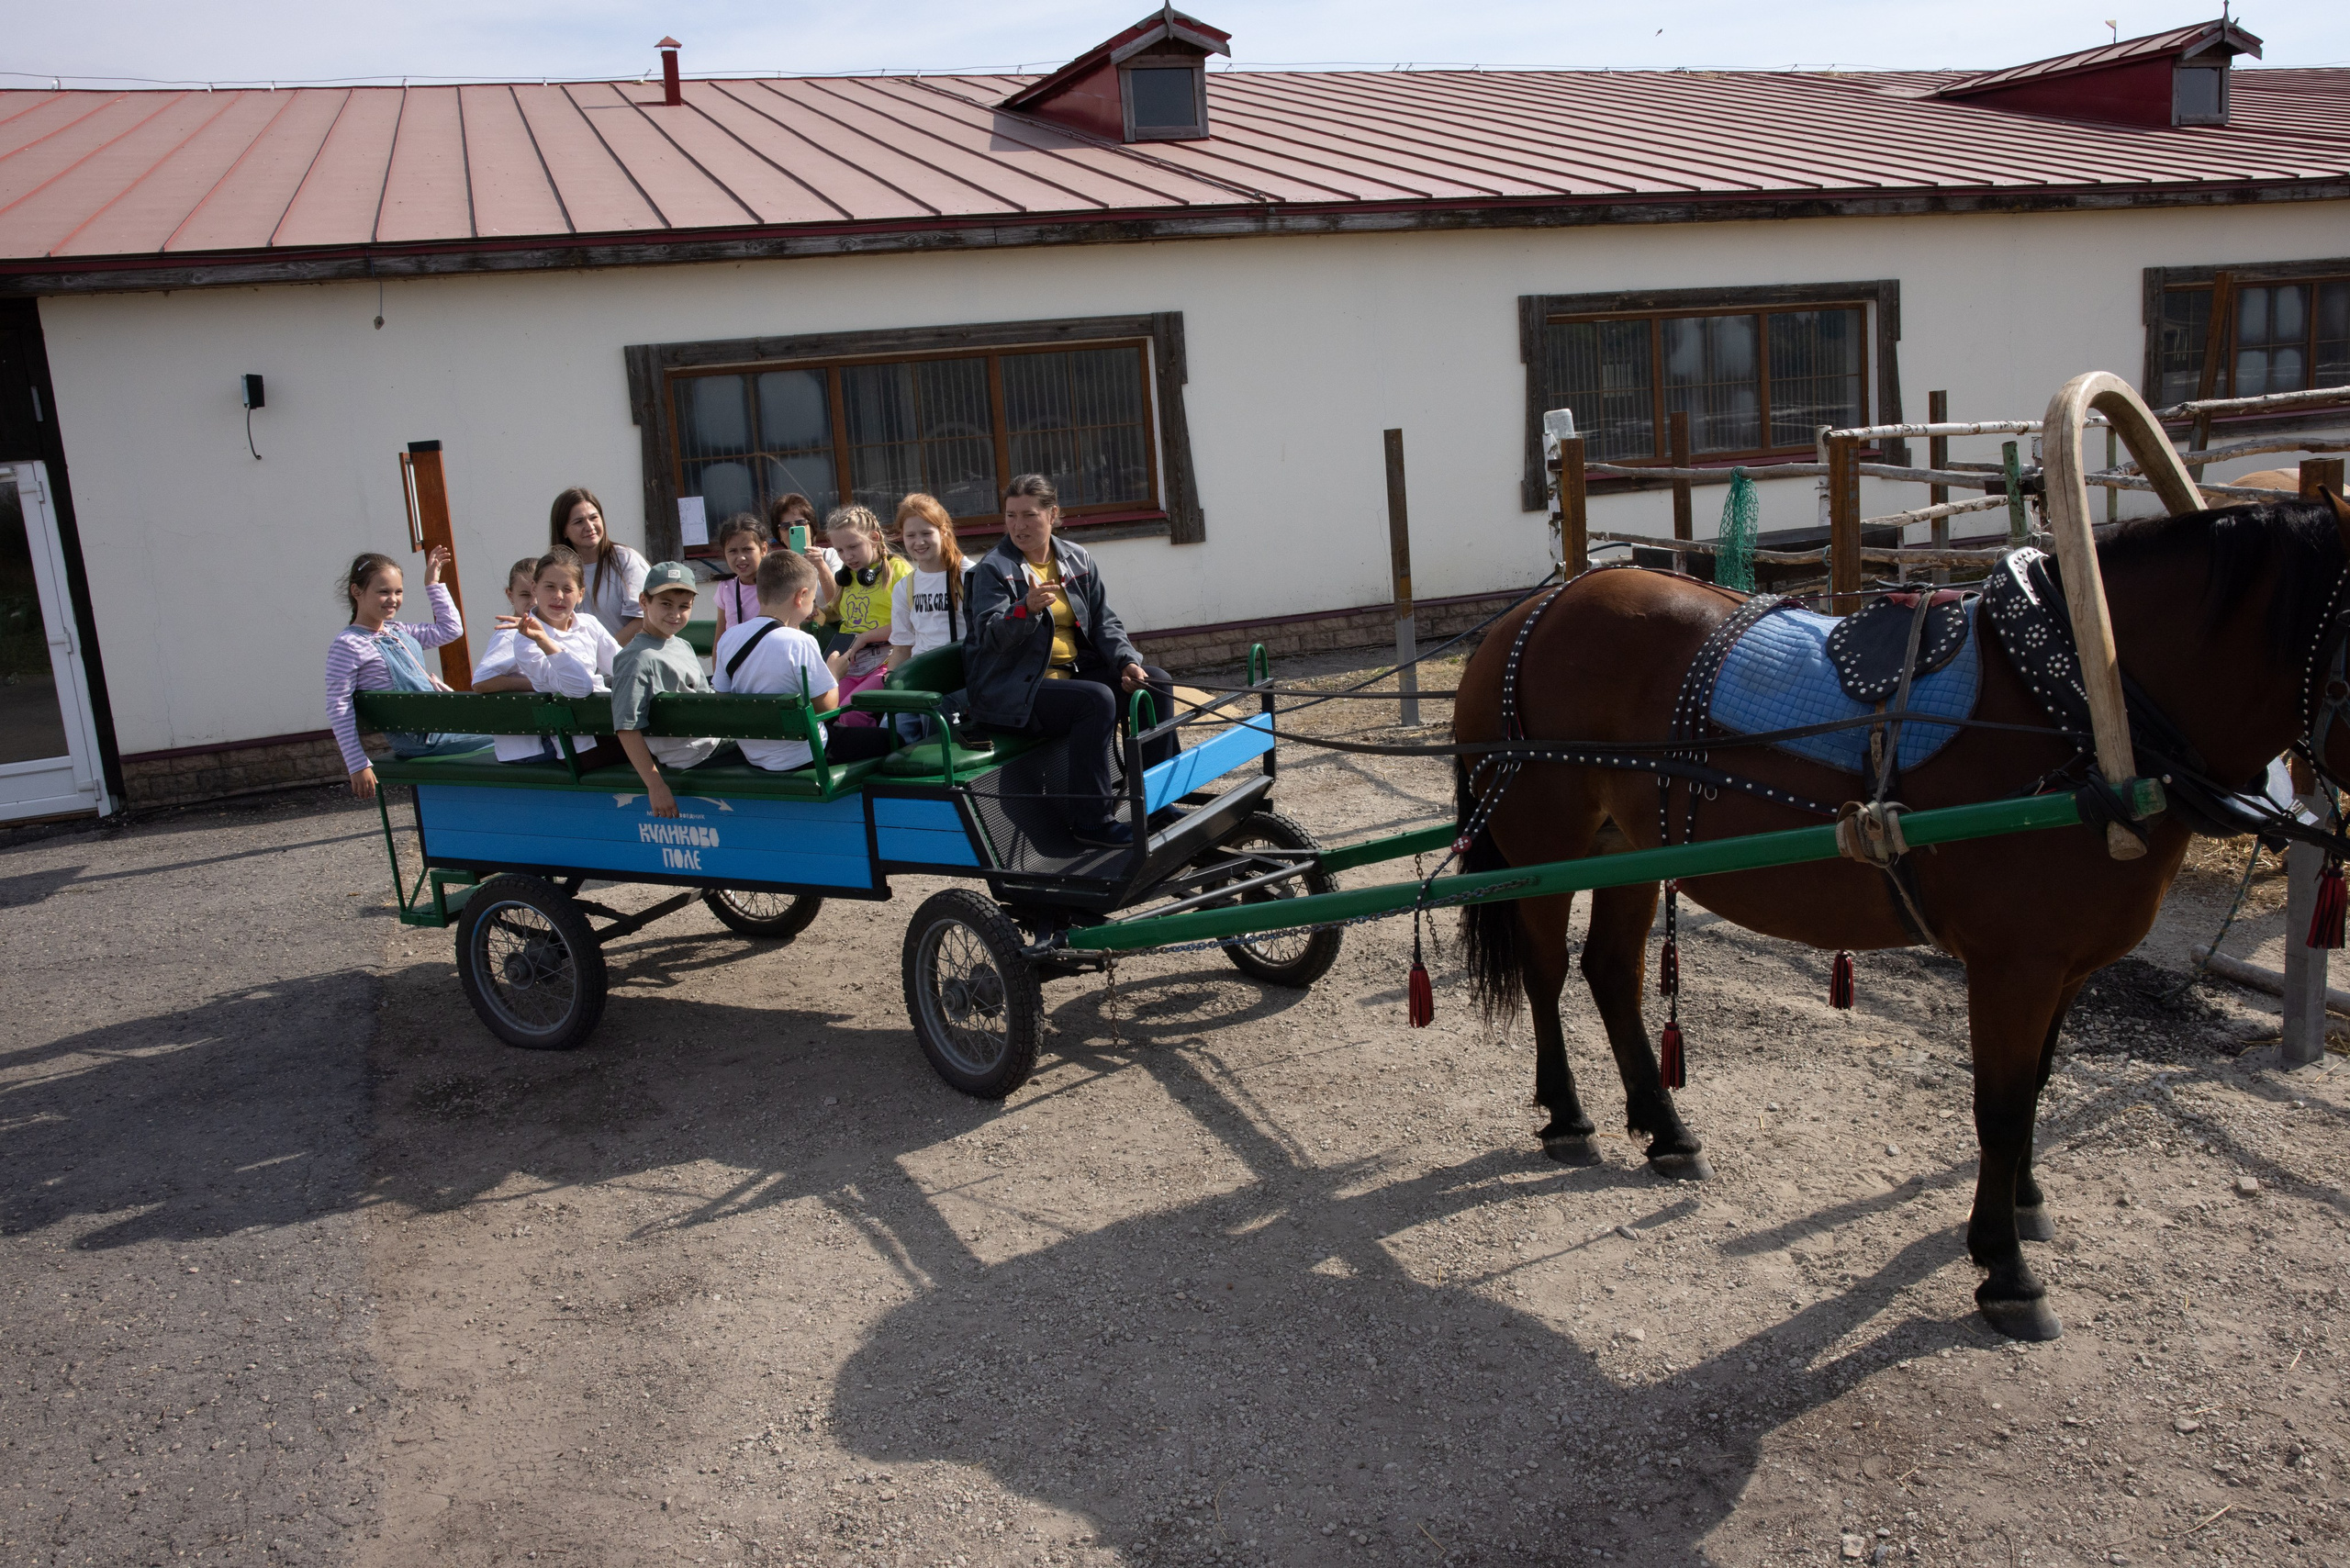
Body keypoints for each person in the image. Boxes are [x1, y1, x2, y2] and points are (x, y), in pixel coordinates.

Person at [963, 475, 1176, 848]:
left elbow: (1104, 621)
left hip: (1070, 677)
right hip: (1012, 689)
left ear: (1053, 514)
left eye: (1028, 515)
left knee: (1154, 681)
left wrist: (1126, 661)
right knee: (1095, 700)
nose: (1018, 526)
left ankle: (1157, 803)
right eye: (1011, 516)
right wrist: (1024, 610)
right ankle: (1090, 822)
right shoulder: (993, 570)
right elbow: (989, 638)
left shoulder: (1077, 558)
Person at [326, 544, 488, 801]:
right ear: (356, 591)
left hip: (440, 726)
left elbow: (451, 629)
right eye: (383, 592)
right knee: (510, 735)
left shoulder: (398, 630)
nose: (393, 599)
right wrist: (358, 763)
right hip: (419, 739)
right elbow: (338, 706)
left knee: (515, 732)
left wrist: (433, 584)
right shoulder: (348, 645)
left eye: (398, 591)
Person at [712, 551, 898, 769]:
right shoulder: (799, 641)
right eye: (812, 600)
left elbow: (723, 698)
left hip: (754, 754)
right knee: (893, 740)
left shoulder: (729, 638)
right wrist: (834, 673)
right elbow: (826, 707)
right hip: (804, 754)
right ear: (801, 596)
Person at [610, 562, 729, 818]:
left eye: (684, 606)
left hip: (710, 740)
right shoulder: (636, 659)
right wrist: (655, 785)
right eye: (666, 604)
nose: (675, 614)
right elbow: (626, 726)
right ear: (644, 601)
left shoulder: (682, 645)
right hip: (696, 753)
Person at [498, 547, 628, 772]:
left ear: (580, 594)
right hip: (581, 746)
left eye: (567, 589)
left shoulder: (588, 624)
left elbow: (623, 667)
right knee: (663, 747)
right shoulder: (526, 641)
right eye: (550, 587)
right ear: (534, 588)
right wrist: (545, 641)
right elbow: (579, 688)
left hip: (609, 726)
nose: (558, 595)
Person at [885, 493, 977, 745]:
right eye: (910, 535)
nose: (919, 542)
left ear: (943, 531)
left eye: (926, 533)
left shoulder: (968, 574)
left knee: (933, 712)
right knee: (889, 727)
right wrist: (891, 687)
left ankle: (933, 781)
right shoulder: (906, 586)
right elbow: (902, 647)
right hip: (921, 678)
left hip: (961, 677)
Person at [821, 504, 912, 722]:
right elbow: (835, 612)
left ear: (874, 537)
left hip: (886, 661)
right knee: (826, 709)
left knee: (851, 714)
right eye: (840, 550)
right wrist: (816, 614)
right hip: (852, 664)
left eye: (854, 546)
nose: (847, 557)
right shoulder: (847, 576)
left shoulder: (897, 569)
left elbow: (912, 621)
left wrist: (866, 637)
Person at [550, 486, 649, 647]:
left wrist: (603, 656)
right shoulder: (555, 570)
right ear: (564, 531)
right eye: (579, 521)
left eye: (594, 518)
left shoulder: (625, 560)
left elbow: (644, 618)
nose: (589, 526)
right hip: (581, 667)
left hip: (627, 664)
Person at [470, 556, 547, 695]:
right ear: (510, 596)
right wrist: (542, 684)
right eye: (525, 595)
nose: (534, 602)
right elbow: (482, 682)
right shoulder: (511, 633)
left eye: (539, 593)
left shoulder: (559, 627)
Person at [768, 491, 840, 616]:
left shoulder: (830, 556)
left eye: (800, 524)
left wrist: (821, 567)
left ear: (811, 527)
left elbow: (837, 604)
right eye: (786, 527)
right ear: (779, 534)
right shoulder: (776, 566)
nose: (793, 530)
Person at [711, 514, 767, 638]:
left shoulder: (778, 583)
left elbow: (792, 629)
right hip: (738, 656)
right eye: (732, 551)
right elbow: (720, 637)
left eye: (747, 549)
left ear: (763, 549)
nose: (741, 558)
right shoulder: (725, 587)